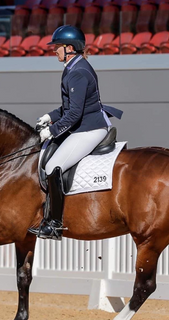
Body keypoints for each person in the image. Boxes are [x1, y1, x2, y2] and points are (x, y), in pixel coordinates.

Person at [35, 25, 122, 239]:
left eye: (57, 47)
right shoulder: (74, 67)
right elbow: (68, 108)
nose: (54, 50)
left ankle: (55, 223)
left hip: (90, 129)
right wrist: (50, 116)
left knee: (53, 166)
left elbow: (74, 114)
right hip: (85, 124)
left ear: (70, 48)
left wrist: (52, 131)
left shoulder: (78, 72)